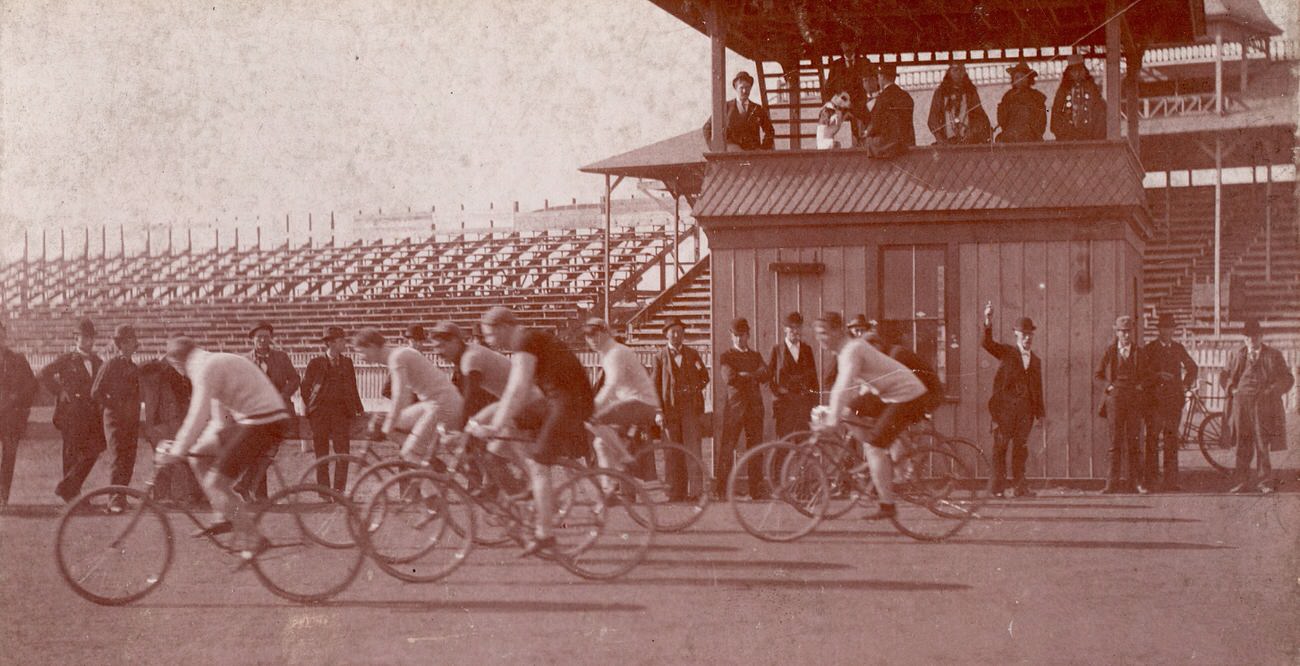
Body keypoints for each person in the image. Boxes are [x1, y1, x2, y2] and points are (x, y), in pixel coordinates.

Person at [156, 336, 294, 556]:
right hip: (255, 418)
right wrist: (192, 447)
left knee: (216, 482)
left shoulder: (203, 368)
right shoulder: (209, 362)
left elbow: (197, 415)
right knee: (198, 455)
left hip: (263, 421)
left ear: (177, 362)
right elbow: (218, 420)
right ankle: (223, 515)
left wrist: (177, 450)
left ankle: (255, 537)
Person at [475, 307, 594, 556]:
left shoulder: (524, 341)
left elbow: (517, 389)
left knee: (539, 464)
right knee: (529, 452)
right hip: (561, 399)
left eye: (490, 335)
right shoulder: (527, 340)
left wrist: (495, 425)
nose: (488, 341)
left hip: (569, 401)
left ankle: (545, 534)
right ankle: (539, 501)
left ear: (504, 327)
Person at [813, 312, 929, 520]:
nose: (819, 338)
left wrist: (831, 420)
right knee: (851, 415)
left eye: (823, 333)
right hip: (887, 395)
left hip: (907, 395)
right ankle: (874, 464)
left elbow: (843, 385)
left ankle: (887, 504)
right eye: (817, 333)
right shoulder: (846, 351)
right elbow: (847, 390)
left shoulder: (852, 349)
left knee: (875, 446)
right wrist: (835, 413)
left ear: (838, 331)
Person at [353, 328, 462, 464]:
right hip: (433, 403)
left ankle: (440, 477)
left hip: (442, 405)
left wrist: (388, 424)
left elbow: (401, 396)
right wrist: (386, 421)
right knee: (392, 427)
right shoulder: (398, 355)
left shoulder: (397, 358)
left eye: (361, 352)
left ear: (372, 346)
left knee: (409, 453)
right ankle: (429, 461)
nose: (360, 357)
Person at [39, 317, 106, 503]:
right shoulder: (67, 359)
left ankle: (67, 488)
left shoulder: (99, 362)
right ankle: (72, 497)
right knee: (71, 454)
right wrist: (60, 391)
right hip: (71, 415)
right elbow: (44, 374)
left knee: (95, 449)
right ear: (75, 339)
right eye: (84, 337)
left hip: (92, 416)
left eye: (90, 337)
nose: (88, 341)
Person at [1221, 319, 1293, 494]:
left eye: (1255, 336)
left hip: (1264, 405)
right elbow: (1224, 376)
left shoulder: (1273, 355)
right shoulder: (1237, 355)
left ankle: (1265, 482)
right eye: (1248, 337)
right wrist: (1232, 389)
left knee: (1262, 443)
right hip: (1242, 405)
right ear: (1244, 339)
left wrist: (1272, 391)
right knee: (1242, 444)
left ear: (1261, 337)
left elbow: (1287, 379)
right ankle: (1241, 481)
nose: (1251, 339)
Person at [981, 304, 1045, 498]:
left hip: (1025, 413)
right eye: (1023, 334)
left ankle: (1020, 487)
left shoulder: (1035, 360)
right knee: (1000, 448)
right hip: (1005, 411)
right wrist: (988, 320)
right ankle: (997, 489)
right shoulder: (1007, 352)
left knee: (1020, 450)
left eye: (1030, 335)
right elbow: (987, 343)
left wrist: (1040, 414)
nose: (1027, 338)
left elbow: (1038, 390)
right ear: (1016, 335)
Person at [582, 318, 659, 472]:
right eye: (588, 336)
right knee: (601, 443)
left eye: (595, 334)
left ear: (606, 333)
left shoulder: (615, 353)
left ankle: (624, 457)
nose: (591, 339)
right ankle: (608, 489)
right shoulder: (607, 354)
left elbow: (612, 384)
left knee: (592, 420)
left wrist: (594, 406)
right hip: (632, 401)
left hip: (641, 402)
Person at [238, 321, 300, 501]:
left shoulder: (281, 357)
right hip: (256, 411)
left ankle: (246, 484)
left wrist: (282, 395)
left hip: (278, 411)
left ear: (271, 338)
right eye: (259, 337)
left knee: (269, 449)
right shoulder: (245, 360)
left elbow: (295, 379)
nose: (263, 340)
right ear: (252, 340)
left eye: (266, 337)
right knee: (260, 450)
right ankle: (258, 494)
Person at [299, 326, 365, 492]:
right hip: (320, 414)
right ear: (331, 343)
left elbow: (353, 387)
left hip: (341, 414)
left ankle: (339, 491)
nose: (344, 343)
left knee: (342, 454)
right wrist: (312, 407)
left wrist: (359, 409)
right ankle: (324, 490)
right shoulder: (315, 363)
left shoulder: (347, 362)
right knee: (321, 455)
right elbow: (305, 387)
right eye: (341, 340)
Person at [651, 317, 709, 501]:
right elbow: (654, 387)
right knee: (671, 452)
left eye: (680, 331)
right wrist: (658, 411)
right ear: (666, 334)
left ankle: (696, 492)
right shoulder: (659, 357)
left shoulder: (692, 354)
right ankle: (674, 493)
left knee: (693, 451)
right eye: (673, 331)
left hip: (690, 410)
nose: (677, 335)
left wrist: (692, 389)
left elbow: (704, 377)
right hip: (670, 411)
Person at [1142, 313, 1198, 492]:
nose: (1167, 331)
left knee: (1171, 440)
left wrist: (1184, 385)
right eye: (1163, 328)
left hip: (1173, 401)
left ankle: (1170, 481)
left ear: (1174, 330)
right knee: (1152, 440)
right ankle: (1151, 480)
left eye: (1170, 328)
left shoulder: (1178, 348)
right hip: (1154, 402)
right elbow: (1141, 372)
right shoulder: (1149, 349)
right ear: (1158, 330)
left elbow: (1192, 367)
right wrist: (1157, 375)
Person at [90, 325, 143, 512]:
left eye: (133, 340)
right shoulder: (110, 364)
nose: (133, 343)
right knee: (118, 457)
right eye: (129, 340)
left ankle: (121, 497)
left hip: (131, 420)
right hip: (114, 420)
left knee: (129, 458)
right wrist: (113, 404)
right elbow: (96, 392)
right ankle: (113, 500)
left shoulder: (133, 367)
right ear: (122, 344)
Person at [139, 359, 205, 507]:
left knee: (169, 461)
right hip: (159, 428)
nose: (156, 378)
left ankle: (173, 496)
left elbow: (170, 409)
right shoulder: (147, 386)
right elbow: (147, 411)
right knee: (166, 461)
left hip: (167, 426)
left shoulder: (164, 384)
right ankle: (167, 496)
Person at [716, 318, 769, 499]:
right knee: (727, 448)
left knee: (755, 449)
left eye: (742, 335)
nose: (739, 339)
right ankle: (722, 490)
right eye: (736, 336)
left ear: (748, 335)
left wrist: (746, 375)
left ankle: (755, 490)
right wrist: (752, 376)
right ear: (731, 336)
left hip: (754, 409)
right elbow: (729, 377)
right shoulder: (726, 356)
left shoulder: (755, 356)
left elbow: (765, 374)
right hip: (734, 409)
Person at [1096, 315, 1149, 494]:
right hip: (1115, 401)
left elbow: (1148, 375)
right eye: (1122, 332)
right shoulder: (1110, 352)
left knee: (1134, 441)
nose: (1125, 335)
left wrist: (1141, 385)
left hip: (1134, 400)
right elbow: (1098, 374)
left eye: (1128, 332)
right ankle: (1111, 484)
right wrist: (1109, 386)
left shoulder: (1139, 352)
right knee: (1115, 442)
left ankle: (1136, 483)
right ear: (1117, 332)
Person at [0, 321, 38, 506]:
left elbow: (31, 386)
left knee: (9, 457)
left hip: (10, 418)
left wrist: (21, 408)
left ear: (4, 335)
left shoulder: (17, 360)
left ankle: (2, 496)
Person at [768, 312, 818, 439]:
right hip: (784, 407)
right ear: (785, 328)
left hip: (803, 405)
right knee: (783, 446)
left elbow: (813, 379)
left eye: (798, 327)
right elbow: (768, 377)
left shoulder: (807, 350)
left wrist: (814, 404)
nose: (795, 331)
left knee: (804, 445)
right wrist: (778, 392)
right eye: (792, 327)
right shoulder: (777, 350)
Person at [701, 71, 776, 151]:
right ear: (736, 88)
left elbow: (770, 131)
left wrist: (763, 148)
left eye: (747, 87)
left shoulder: (757, 109)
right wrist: (716, 148)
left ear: (750, 88)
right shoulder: (726, 107)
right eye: (741, 88)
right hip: (731, 156)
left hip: (753, 156)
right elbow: (707, 128)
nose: (744, 91)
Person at [927, 63, 992, 145]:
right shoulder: (940, 93)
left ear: (965, 73)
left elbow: (980, 117)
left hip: (968, 142)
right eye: (955, 70)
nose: (958, 73)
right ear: (949, 72)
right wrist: (939, 137)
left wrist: (972, 132)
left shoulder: (970, 92)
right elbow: (933, 119)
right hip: (946, 143)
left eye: (961, 70)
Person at [823, 40, 875, 140]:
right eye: (845, 44)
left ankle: (864, 145)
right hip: (840, 107)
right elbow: (828, 88)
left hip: (861, 106)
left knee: (868, 125)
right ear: (841, 45)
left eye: (850, 44)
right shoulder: (836, 65)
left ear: (855, 45)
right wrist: (837, 101)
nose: (848, 47)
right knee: (830, 126)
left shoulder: (865, 63)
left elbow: (873, 84)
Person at [1051, 53, 1106, 141]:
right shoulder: (1063, 91)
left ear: (1084, 71)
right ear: (1068, 72)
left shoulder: (1092, 89)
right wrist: (1063, 133)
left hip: (1090, 136)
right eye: (1073, 70)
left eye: (1080, 70)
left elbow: (1100, 111)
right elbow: (1056, 112)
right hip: (1068, 137)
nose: (1077, 73)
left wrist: (1096, 134)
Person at [864, 64, 915, 158]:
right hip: (907, 144)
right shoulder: (906, 96)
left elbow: (876, 122)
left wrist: (867, 134)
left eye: (878, 76)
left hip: (889, 147)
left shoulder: (882, 98)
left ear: (882, 77)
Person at [995, 61, 1047, 143]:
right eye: (1017, 77)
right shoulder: (1008, 96)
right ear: (1013, 80)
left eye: (1023, 77)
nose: (1020, 80)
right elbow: (1002, 119)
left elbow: (1042, 119)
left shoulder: (1037, 96)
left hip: (1031, 135)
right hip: (1010, 134)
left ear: (1029, 79)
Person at [381, 324, 428, 400]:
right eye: (415, 341)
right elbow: (386, 391)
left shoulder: (424, 361)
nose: (418, 344)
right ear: (408, 341)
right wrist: (405, 401)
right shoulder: (401, 360)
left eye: (421, 341)